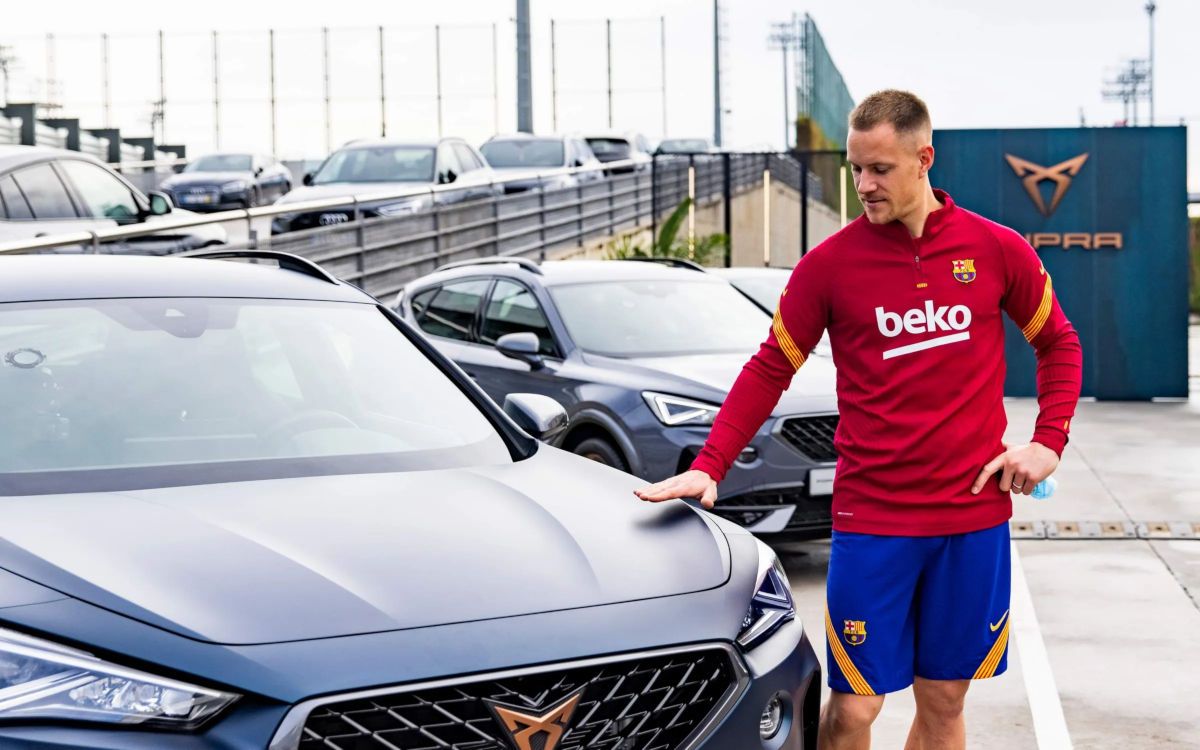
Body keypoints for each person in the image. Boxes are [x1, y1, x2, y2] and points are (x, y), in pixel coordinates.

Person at [634, 89, 1083, 750]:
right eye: (856, 169)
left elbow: (1059, 344)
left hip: (971, 520)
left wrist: (1048, 443)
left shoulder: (995, 249)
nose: (864, 185)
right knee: (853, 712)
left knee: (944, 700)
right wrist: (710, 465)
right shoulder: (831, 265)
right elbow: (770, 367)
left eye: (881, 169)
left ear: (924, 158)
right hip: (873, 520)